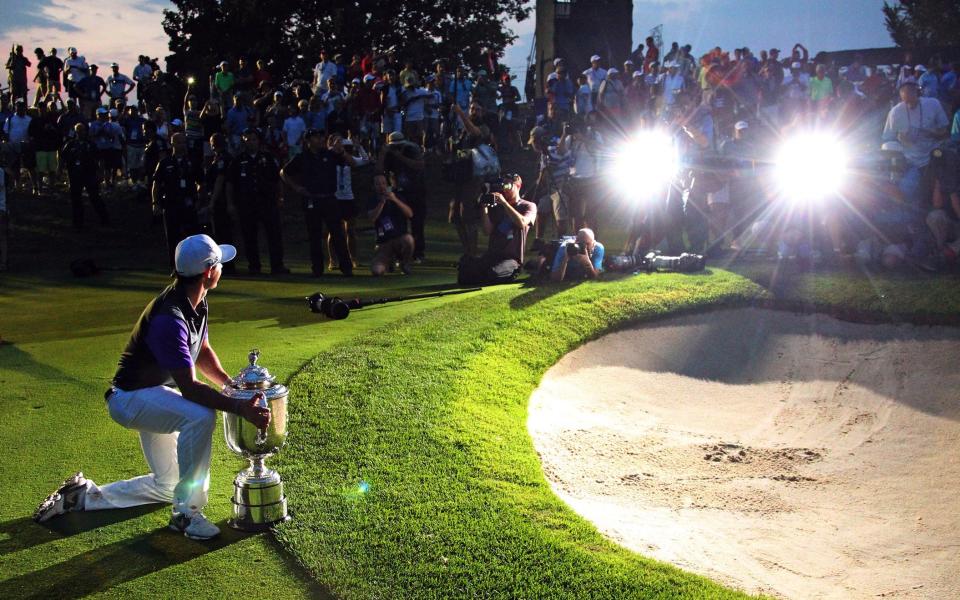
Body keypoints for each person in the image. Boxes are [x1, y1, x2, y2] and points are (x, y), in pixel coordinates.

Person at [33, 234, 270, 541]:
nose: (222, 269)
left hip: (154, 394)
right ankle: (187, 514)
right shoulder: (169, 319)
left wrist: (228, 384)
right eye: (220, 265)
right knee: (200, 416)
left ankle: (82, 496)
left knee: (168, 485)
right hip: (131, 400)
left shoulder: (195, 302)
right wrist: (239, 407)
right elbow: (190, 388)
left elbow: (202, 350)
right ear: (210, 272)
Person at [280, 130, 355, 276]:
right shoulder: (302, 157)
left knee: (338, 234)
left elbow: (350, 162)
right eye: (316, 137)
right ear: (308, 140)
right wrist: (296, 187)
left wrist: (341, 152)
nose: (320, 139)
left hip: (329, 198)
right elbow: (284, 172)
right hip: (312, 199)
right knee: (314, 236)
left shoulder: (330, 154)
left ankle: (346, 267)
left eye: (322, 136)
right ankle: (317, 269)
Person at [226, 128, 289, 275]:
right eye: (248, 139)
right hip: (247, 203)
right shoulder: (238, 160)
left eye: (254, 139)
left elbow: (277, 179)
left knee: (274, 234)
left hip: (267, 201)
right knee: (249, 236)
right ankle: (254, 266)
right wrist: (230, 203)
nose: (251, 142)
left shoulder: (267, 158)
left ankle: (277, 265)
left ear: (258, 141)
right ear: (244, 140)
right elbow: (230, 183)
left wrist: (280, 196)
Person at [457, 173, 536, 285]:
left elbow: (522, 223)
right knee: (465, 266)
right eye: (502, 185)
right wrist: (484, 208)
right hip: (492, 255)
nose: (505, 189)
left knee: (492, 273)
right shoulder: (496, 206)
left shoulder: (528, 206)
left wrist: (504, 203)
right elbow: (487, 231)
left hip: (511, 260)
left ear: (518, 186)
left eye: (508, 186)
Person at [153, 133, 202, 266]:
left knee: (193, 237)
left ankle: (195, 266)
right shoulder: (165, 163)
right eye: (179, 142)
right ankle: (175, 267)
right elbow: (156, 184)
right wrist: (155, 202)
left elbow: (201, 181)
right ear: (172, 143)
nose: (182, 145)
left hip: (188, 204)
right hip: (171, 204)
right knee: (173, 238)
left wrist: (198, 198)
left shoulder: (192, 161)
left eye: (184, 142)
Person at [379, 131, 427, 261]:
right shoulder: (389, 154)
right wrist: (384, 154)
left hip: (415, 192)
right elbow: (381, 169)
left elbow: (419, 165)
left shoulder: (412, 149)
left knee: (417, 223)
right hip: (399, 193)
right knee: (398, 225)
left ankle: (418, 253)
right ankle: (400, 254)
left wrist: (399, 156)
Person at [60, 122, 111, 229]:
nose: (80, 133)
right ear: (75, 132)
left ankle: (104, 218)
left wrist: (100, 172)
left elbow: (100, 158)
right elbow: (62, 157)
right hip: (75, 175)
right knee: (76, 199)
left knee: (94, 197)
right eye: (78, 131)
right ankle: (78, 222)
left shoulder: (90, 144)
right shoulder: (70, 144)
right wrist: (60, 169)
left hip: (89, 174)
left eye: (82, 130)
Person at [367, 172, 415, 276]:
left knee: (409, 239)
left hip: (399, 239)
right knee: (377, 271)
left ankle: (404, 264)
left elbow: (410, 214)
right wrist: (381, 203)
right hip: (384, 243)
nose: (381, 186)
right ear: (373, 186)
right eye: (378, 184)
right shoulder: (372, 200)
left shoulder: (397, 196)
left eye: (383, 183)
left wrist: (395, 200)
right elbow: (372, 218)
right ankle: (389, 262)